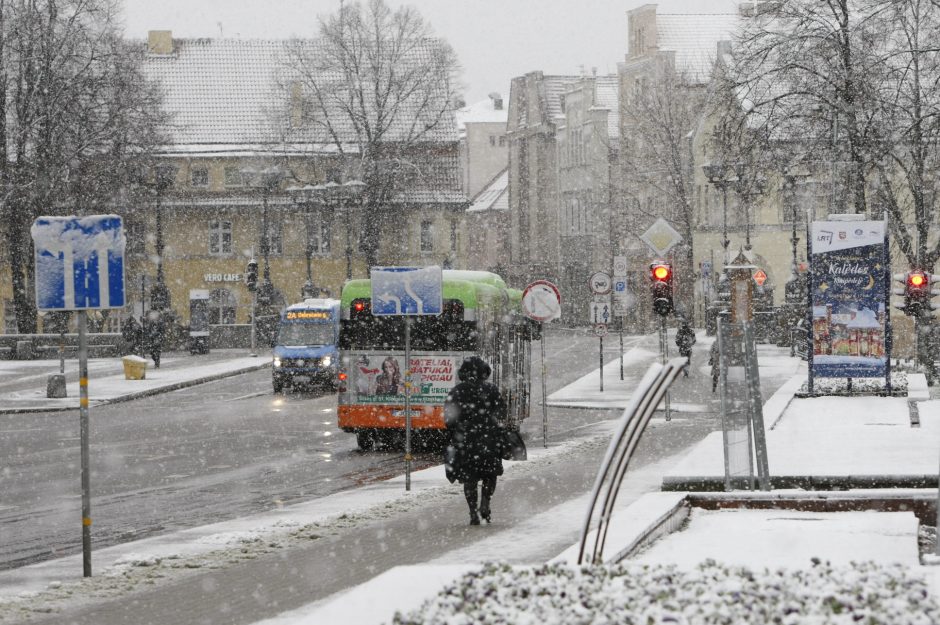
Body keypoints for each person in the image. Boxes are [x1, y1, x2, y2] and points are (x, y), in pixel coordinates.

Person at [443, 356, 506, 525]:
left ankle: (472, 512)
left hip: (466, 442)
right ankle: (485, 503)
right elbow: (501, 414)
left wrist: (458, 432)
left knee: (469, 478)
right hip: (489, 440)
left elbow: (449, 419)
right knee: (490, 474)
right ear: (484, 372)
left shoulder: (456, 392)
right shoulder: (491, 390)